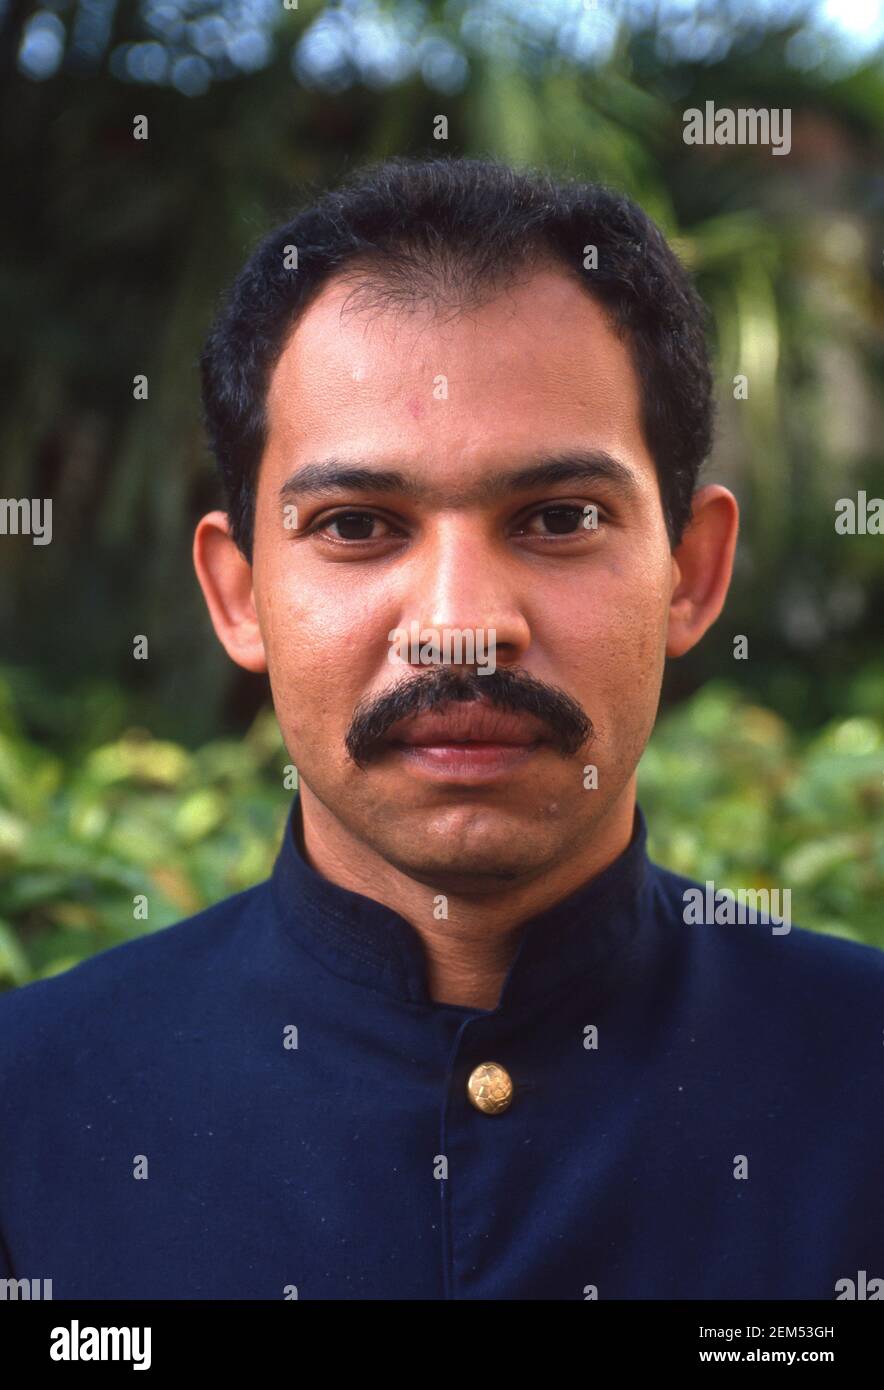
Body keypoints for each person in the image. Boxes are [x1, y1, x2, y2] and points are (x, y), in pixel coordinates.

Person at [1, 157, 881, 1301]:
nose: (462, 629)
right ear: (236, 593)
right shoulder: (33, 1110)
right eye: (358, 524)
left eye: (559, 518)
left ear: (689, 572)